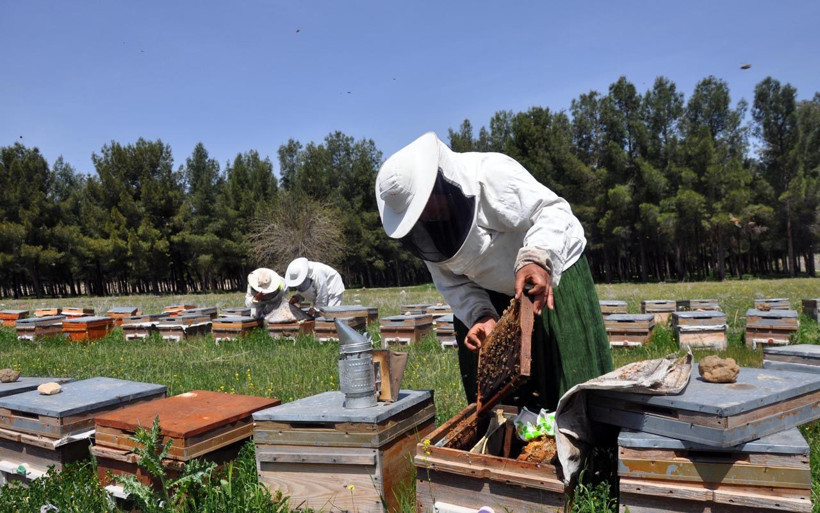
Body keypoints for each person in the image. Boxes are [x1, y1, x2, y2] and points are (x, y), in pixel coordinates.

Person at [375, 132, 613, 412]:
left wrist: (536, 257)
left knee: (570, 385)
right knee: (504, 400)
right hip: (495, 294)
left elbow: (553, 211)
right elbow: (451, 281)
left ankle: (584, 439)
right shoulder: (428, 234)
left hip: (551, 276)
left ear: (440, 183)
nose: (427, 215)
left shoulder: (491, 174)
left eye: (427, 204)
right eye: (418, 213)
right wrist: (481, 315)